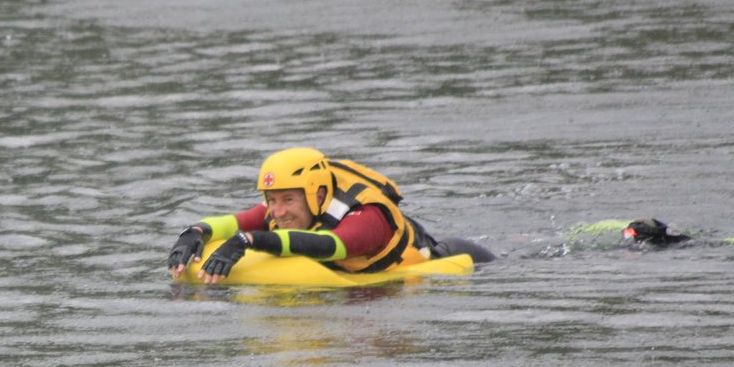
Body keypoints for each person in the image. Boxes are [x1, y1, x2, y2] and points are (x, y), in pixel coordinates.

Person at [166, 147, 495, 282]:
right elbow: (235, 222)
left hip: (454, 257)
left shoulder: (368, 216)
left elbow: (332, 246)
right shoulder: (283, 210)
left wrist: (249, 241)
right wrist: (194, 232)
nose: (277, 212)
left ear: (317, 194)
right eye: (271, 200)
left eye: (287, 200)